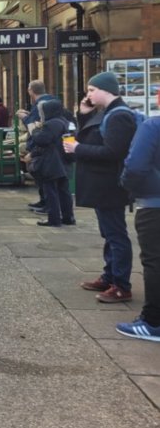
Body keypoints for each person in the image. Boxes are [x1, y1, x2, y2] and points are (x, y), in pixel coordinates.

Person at [63, 72, 138, 303]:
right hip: (101, 183)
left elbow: (113, 152)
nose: (88, 94)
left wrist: (77, 150)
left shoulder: (119, 116)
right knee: (109, 232)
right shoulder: (107, 113)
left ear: (106, 90)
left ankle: (121, 286)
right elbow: (94, 137)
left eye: (92, 90)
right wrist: (84, 115)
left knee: (116, 235)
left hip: (110, 185)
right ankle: (110, 276)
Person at [117, 85, 160, 341]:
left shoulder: (152, 126)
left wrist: (128, 187)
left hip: (154, 206)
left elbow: (134, 167)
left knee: (155, 262)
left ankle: (153, 322)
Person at [28, 98, 75, 227]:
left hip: (52, 162)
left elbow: (42, 140)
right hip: (64, 161)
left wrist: (35, 130)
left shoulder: (51, 124)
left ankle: (54, 219)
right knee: (64, 191)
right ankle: (68, 217)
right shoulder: (65, 122)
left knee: (51, 192)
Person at [16, 80, 56, 214]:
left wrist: (24, 118)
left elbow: (33, 125)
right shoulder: (50, 101)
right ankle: (44, 201)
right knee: (41, 177)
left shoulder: (40, 104)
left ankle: (47, 204)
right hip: (44, 144)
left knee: (42, 176)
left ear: (31, 91)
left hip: (40, 145)